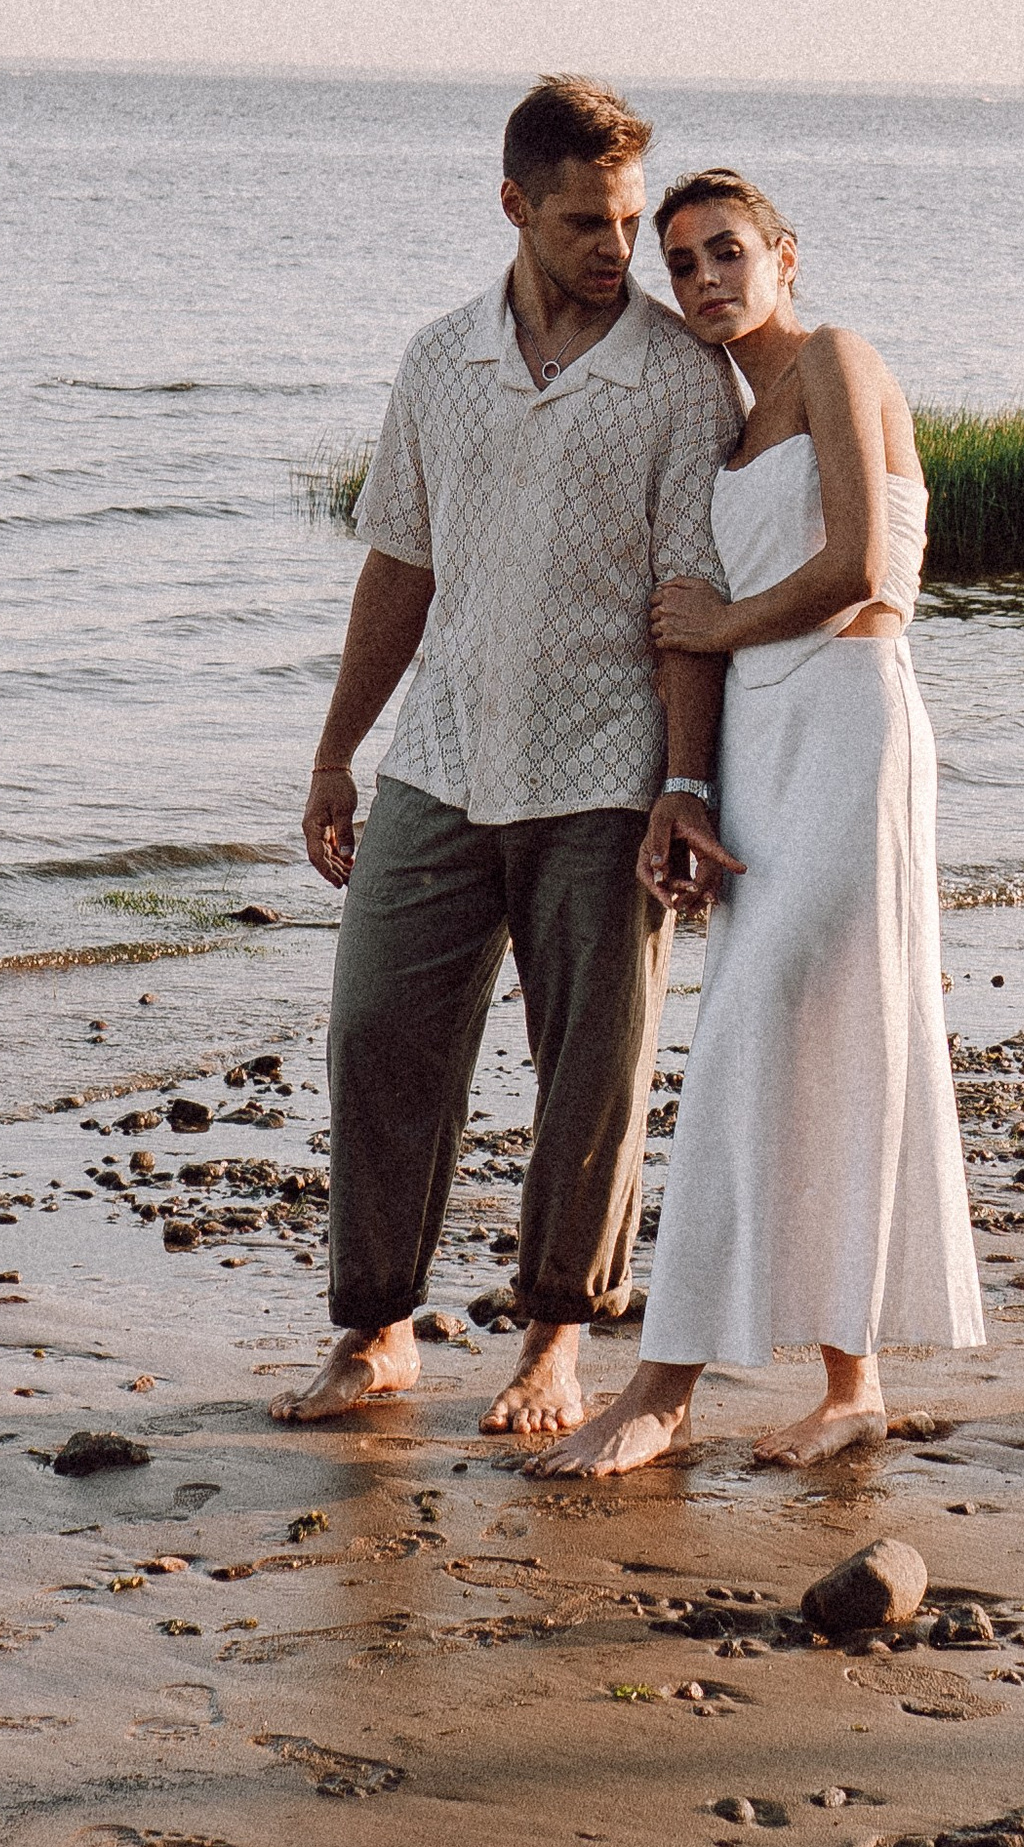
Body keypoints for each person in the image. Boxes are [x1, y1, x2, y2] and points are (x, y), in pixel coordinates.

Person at [275, 78, 743, 1440]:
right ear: (515, 207)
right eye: (590, 221)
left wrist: (684, 783)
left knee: (590, 1063)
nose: (620, 248)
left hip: (604, 772)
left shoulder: (675, 378)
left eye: (631, 219)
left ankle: (555, 1343)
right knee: (376, 1031)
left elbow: (687, 599)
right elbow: (399, 564)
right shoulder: (439, 360)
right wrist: (333, 754)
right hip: (439, 758)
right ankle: (376, 1331)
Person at [531, 168, 984, 1477]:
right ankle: (854, 1386)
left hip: (850, 723)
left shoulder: (838, 360)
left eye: (726, 252)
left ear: (787, 256)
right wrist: (695, 792)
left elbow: (856, 567)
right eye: (681, 263)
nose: (704, 279)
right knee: (829, 1038)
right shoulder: (722, 426)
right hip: (761, 751)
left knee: (745, 1037)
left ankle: (664, 1392)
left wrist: (717, 622)